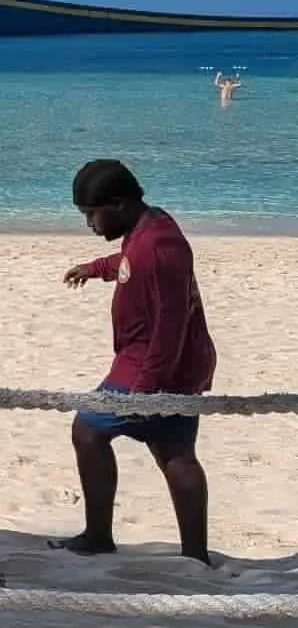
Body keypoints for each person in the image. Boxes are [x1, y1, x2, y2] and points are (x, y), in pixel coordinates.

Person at [58, 158, 215, 563]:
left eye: (91, 214)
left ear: (119, 205)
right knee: (175, 452)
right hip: (173, 367)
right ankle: (195, 557)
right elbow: (128, 264)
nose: (89, 224)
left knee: (88, 429)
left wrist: (145, 393)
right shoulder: (148, 228)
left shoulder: (158, 248)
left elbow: (170, 324)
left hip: (151, 368)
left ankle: (97, 536)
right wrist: (94, 269)